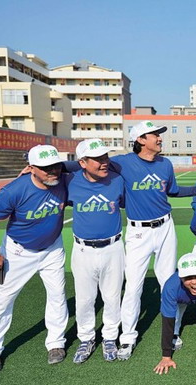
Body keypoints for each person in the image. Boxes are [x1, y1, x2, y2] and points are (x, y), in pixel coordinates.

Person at [110, 121, 196, 360]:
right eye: (154, 135)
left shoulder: (165, 164)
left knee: (169, 283)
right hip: (138, 233)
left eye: (159, 135)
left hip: (166, 228)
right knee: (133, 286)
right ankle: (127, 338)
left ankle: (173, 332)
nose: (159, 138)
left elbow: (173, 191)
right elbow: (88, 166)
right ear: (140, 140)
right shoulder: (123, 162)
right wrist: (42, 168)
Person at [0, 145, 68, 374]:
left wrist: (63, 168)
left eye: (56, 165)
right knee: (2, 300)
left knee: (57, 296)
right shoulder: (13, 191)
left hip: (52, 249)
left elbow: (83, 166)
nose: (53, 171)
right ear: (31, 168)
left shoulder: (63, 180)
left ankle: (56, 343)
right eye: (46, 168)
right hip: (18, 252)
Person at [65, 139, 125, 364]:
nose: (104, 163)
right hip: (82, 250)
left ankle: (110, 337)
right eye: (97, 159)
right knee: (84, 299)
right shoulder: (69, 182)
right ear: (82, 162)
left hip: (114, 247)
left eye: (105, 157)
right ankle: (86, 338)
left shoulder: (118, 180)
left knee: (112, 296)